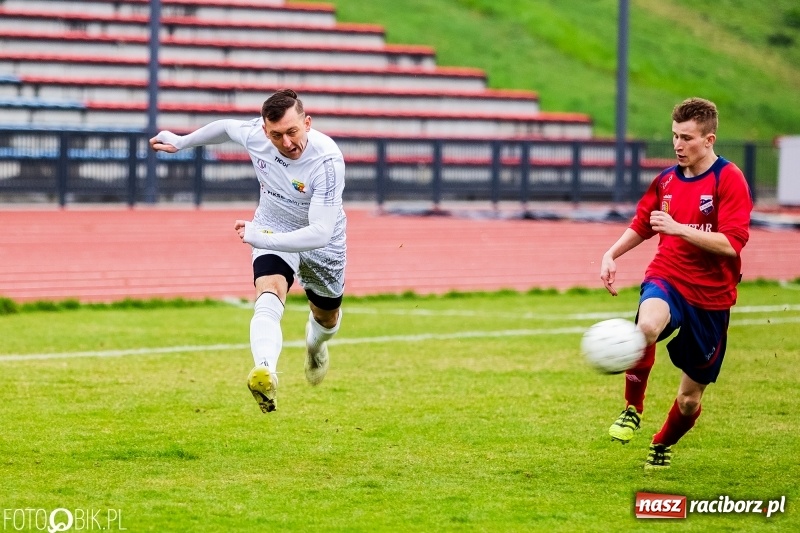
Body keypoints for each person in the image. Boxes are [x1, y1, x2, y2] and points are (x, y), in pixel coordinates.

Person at [150, 89, 346, 414]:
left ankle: (315, 345)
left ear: (307, 123)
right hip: (271, 224)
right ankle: (265, 370)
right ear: (265, 130)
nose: (285, 143)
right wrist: (183, 142)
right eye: (276, 135)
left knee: (326, 318)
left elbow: (320, 232)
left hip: (323, 243)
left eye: (292, 132)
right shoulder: (256, 135)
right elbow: (226, 127)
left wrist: (262, 239)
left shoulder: (326, 162)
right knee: (269, 289)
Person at [599, 97, 752, 469]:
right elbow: (642, 223)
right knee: (647, 326)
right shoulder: (666, 180)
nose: (678, 145)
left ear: (709, 139)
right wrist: (611, 254)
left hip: (713, 298)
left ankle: (662, 443)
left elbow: (732, 242)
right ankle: (632, 408)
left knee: (689, 400)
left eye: (686, 138)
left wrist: (680, 229)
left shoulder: (727, 179)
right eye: (674, 136)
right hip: (667, 276)